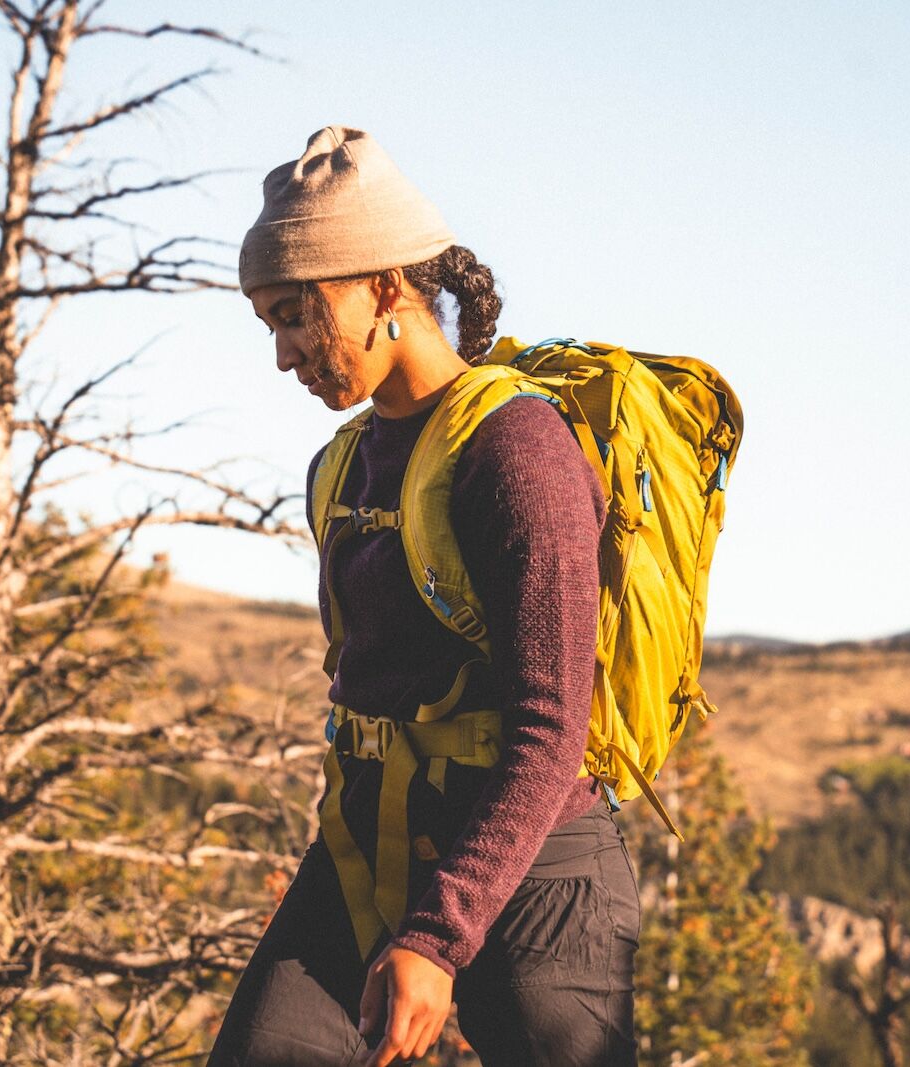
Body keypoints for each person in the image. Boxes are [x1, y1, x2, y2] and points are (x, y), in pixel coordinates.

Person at [207, 126, 641, 1067]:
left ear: (385, 288)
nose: (284, 354)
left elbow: (549, 720)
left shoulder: (518, 451)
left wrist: (439, 936)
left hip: (537, 872)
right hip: (376, 853)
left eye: (295, 316)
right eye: (270, 325)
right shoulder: (342, 466)